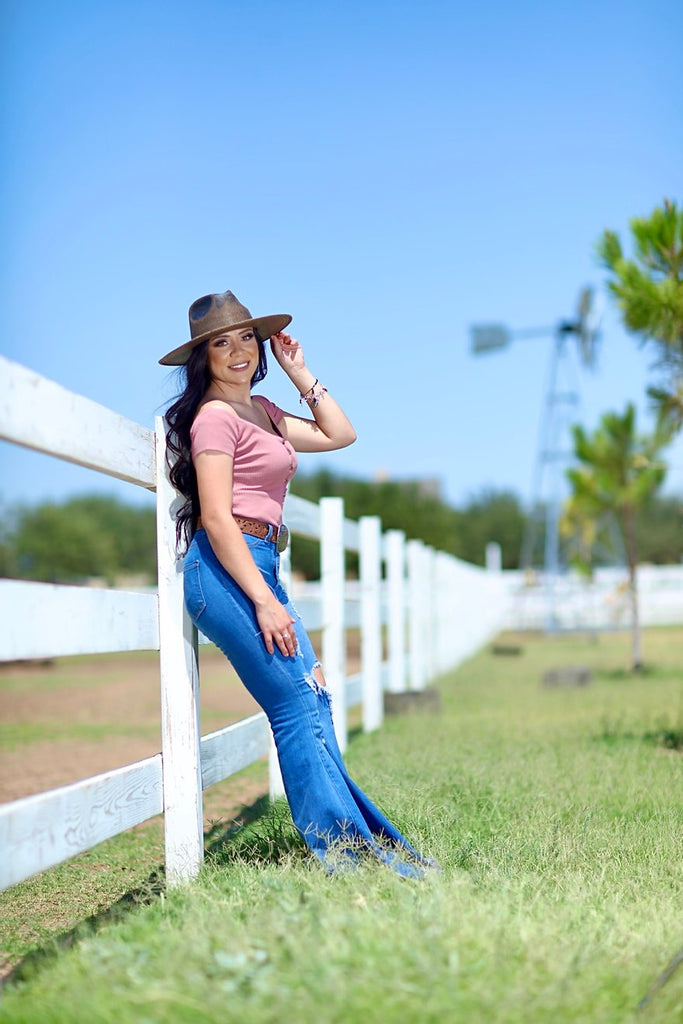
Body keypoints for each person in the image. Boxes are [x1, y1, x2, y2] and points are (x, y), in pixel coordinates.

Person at [161, 289, 434, 878]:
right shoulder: (213, 417)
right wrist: (263, 601)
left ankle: (368, 847)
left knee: (314, 698)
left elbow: (341, 434)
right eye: (219, 343)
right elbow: (214, 516)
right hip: (228, 570)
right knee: (294, 705)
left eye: (244, 339)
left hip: (263, 564)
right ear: (202, 357)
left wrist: (301, 374)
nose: (236, 351)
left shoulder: (264, 410)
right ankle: (347, 857)